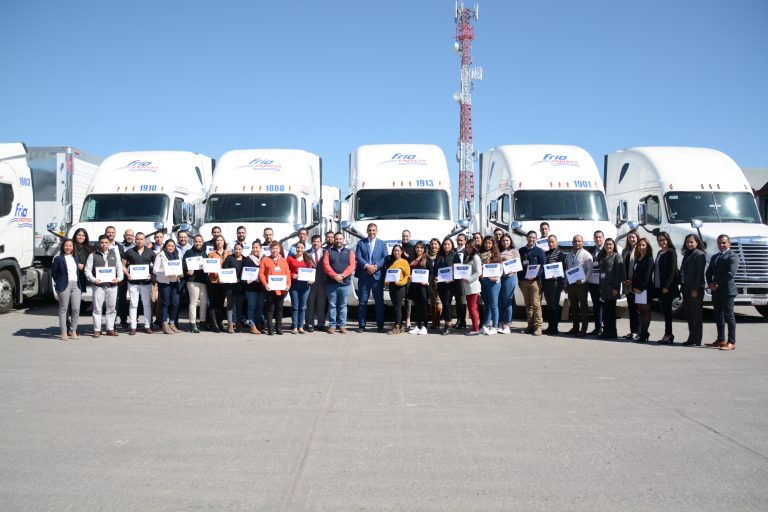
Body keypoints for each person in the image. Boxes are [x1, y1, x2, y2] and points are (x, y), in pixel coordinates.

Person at [85, 234, 123, 337]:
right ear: (99, 243)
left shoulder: (115, 254)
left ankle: (110, 329)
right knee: (97, 309)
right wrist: (93, 279)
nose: (104, 244)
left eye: (106, 242)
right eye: (102, 242)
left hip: (112, 286)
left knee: (111, 308)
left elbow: (119, 268)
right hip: (98, 286)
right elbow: (87, 270)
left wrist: (119, 279)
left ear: (109, 243)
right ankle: (97, 330)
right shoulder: (92, 255)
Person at [706, 234, 739, 351]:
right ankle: (720, 340)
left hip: (727, 291)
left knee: (729, 316)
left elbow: (730, 273)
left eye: (724, 243)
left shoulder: (733, 256)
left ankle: (731, 342)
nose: (721, 245)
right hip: (716, 291)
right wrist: (710, 283)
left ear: (729, 243)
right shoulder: (715, 256)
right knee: (718, 315)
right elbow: (709, 272)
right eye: (719, 243)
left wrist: (717, 284)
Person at [355, 223, 388, 333]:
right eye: (370, 230)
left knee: (379, 302)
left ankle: (380, 326)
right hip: (364, 276)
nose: (372, 232)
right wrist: (367, 266)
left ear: (376, 231)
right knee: (362, 302)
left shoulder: (382, 244)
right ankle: (361, 325)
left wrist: (376, 267)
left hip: (377, 277)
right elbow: (358, 257)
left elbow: (385, 258)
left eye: (373, 230)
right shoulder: (361, 243)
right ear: (367, 231)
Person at [122, 232, 155, 335]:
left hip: (146, 282)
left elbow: (156, 267)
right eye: (137, 239)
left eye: (141, 239)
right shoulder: (129, 252)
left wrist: (151, 275)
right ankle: (133, 327)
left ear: (144, 240)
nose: (139, 241)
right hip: (133, 282)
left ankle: (147, 326)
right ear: (135, 240)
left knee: (146, 304)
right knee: (133, 304)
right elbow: (122, 265)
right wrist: (127, 274)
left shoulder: (150, 252)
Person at [51, 238, 84, 340]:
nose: (68, 248)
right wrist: (59, 282)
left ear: (73, 247)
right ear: (63, 247)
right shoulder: (58, 259)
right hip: (64, 284)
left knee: (76, 308)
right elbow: (53, 273)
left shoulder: (75, 258)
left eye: (70, 246)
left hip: (76, 285)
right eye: (66, 246)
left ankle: (73, 331)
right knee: (63, 308)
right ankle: (64, 332)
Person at [323, 232, 356, 334]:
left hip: (345, 283)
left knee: (343, 305)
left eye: (340, 239)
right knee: (332, 305)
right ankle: (332, 325)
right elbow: (326, 265)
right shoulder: (328, 251)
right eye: (336, 239)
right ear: (334, 240)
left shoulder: (349, 252)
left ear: (343, 240)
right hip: (331, 283)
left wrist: (342, 276)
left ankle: (342, 326)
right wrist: (335, 276)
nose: (338, 241)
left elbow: (352, 266)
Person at [260, 241, 291, 335]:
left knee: (279, 309)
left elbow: (287, 274)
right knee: (270, 309)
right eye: (273, 248)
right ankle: (270, 329)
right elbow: (261, 274)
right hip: (270, 289)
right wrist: (265, 284)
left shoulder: (283, 261)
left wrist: (288, 285)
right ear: (270, 249)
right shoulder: (265, 260)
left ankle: (278, 328)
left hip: (281, 290)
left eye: (276, 248)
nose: (275, 250)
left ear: (279, 249)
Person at [565, 235, 593, 337]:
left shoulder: (586, 254)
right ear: (572, 242)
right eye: (575, 241)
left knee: (583, 307)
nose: (577, 243)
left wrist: (583, 281)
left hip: (581, 285)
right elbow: (567, 269)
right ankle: (575, 327)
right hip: (571, 285)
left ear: (583, 243)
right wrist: (565, 283)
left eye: (579, 241)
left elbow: (590, 270)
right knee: (574, 307)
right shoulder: (568, 255)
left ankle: (583, 330)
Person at [680, 234, 706, 346]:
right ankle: (691, 338)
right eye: (687, 242)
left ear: (697, 242)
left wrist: (695, 289)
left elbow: (699, 274)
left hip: (695, 289)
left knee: (696, 315)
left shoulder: (699, 254)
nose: (689, 244)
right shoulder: (687, 253)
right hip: (686, 288)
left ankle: (697, 339)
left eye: (691, 242)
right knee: (689, 314)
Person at [519, 230, 545, 336]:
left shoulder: (539, 251)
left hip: (535, 282)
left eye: (534, 237)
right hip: (523, 281)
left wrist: (536, 275)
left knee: (536, 304)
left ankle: (538, 327)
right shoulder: (521, 250)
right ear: (527, 238)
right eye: (530, 237)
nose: (531, 239)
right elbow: (518, 266)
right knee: (528, 305)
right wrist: (519, 279)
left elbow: (542, 266)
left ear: (536, 239)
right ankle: (530, 326)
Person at [654, 231, 679, 344]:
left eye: (663, 240)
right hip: (659, 286)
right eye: (659, 240)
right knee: (664, 311)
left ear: (668, 240)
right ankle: (668, 334)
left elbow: (672, 271)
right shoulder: (660, 252)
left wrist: (666, 286)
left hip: (667, 288)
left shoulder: (671, 252)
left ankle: (668, 334)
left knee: (668, 312)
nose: (661, 242)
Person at [154, 239, 182, 334]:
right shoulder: (160, 255)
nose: (171, 248)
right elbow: (155, 270)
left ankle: (172, 323)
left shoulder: (177, 254)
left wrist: (180, 273)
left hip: (175, 281)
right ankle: (165, 324)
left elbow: (179, 267)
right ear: (165, 246)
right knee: (165, 303)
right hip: (164, 282)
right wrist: (166, 272)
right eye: (169, 246)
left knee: (176, 303)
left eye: (172, 246)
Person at [598, 238, 624, 339]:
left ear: (614, 246)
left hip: (612, 288)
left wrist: (616, 288)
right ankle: (607, 331)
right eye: (606, 244)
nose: (608, 246)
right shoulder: (603, 256)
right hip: (604, 288)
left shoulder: (617, 256)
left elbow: (619, 273)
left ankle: (612, 332)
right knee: (606, 311)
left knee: (611, 312)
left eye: (610, 244)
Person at [434, 237, 460, 335]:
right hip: (440, 283)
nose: (446, 246)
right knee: (444, 304)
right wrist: (435, 277)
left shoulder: (455, 255)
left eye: (448, 244)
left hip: (450, 284)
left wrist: (452, 279)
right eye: (445, 244)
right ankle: (446, 323)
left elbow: (458, 270)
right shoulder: (439, 255)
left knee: (447, 303)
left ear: (452, 245)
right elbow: (435, 268)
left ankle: (448, 325)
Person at [183, 234, 208, 333]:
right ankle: (192, 323)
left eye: (200, 241)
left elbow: (207, 265)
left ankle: (202, 322)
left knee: (204, 302)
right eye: (196, 241)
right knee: (193, 302)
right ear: (193, 242)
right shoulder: (189, 252)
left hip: (203, 280)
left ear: (202, 243)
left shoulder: (204, 253)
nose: (198, 243)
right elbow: (184, 266)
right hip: (192, 280)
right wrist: (187, 272)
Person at [408, 241, 434, 335]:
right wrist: (410, 276)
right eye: (417, 247)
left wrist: (427, 282)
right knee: (417, 307)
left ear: (424, 249)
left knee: (423, 307)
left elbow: (431, 272)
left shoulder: (427, 258)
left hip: (423, 287)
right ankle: (418, 325)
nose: (419, 249)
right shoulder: (413, 258)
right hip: (414, 286)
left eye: (421, 248)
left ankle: (424, 326)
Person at [542, 235, 567, 335]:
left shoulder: (560, 254)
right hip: (546, 282)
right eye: (549, 242)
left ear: (556, 242)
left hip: (556, 283)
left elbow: (563, 268)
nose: (551, 244)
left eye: (552, 242)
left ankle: (554, 327)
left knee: (554, 305)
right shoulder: (545, 254)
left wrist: (556, 275)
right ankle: (550, 326)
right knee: (549, 305)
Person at [479, 236, 502, 335]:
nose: (487, 245)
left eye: (489, 243)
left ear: (493, 244)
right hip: (484, 281)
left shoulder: (496, 255)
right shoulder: (480, 255)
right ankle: (486, 325)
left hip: (494, 282)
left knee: (493, 305)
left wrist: (497, 278)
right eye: (485, 243)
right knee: (487, 304)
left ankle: (495, 326)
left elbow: (501, 269)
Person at [632, 238, 654, 343]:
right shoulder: (638, 258)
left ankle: (644, 333)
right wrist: (634, 287)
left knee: (646, 311)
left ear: (647, 247)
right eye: (640, 245)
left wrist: (640, 288)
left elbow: (647, 275)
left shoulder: (649, 259)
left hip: (645, 289)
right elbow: (635, 275)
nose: (641, 247)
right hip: (637, 289)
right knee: (641, 312)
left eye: (644, 245)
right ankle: (642, 332)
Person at [206, 235, 230, 332]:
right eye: (218, 240)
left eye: (221, 240)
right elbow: (208, 267)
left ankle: (220, 323)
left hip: (224, 282)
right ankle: (214, 324)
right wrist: (213, 271)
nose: (219, 242)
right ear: (215, 242)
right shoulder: (211, 254)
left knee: (221, 304)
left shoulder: (228, 254)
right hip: (213, 281)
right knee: (213, 304)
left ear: (224, 242)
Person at [287, 241, 312, 334]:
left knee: (303, 307)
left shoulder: (308, 259)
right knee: (295, 306)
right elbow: (286, 270)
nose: (299, 249)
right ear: (295, 248)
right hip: (294, 285)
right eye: (298, 247)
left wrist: (311, 279)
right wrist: (292, 275)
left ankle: (301, 326)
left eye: (301, 248)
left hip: (305, 286)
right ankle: (294, 327)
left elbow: (310, 271)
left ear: (304, 249)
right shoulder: (290, 258)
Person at [498, 234, 520, 334]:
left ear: (510, 241)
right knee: (499, 302)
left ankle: (507, 324)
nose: (505, 242)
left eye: (507, 240)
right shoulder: (497, 251)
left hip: (509, 278)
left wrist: (513, 269)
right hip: (498, 278)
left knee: (507, 302)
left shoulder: (514, 251)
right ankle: (500, 323)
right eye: (503, 241)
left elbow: (518, 265)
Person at [223, 242, 247, 333]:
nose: (237, 251)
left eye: (239, 249)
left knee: (239, 306)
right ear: (234, 249)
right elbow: (224, 270)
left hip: (241, 286)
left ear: (242, 250)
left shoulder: (245, 259)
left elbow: (246, 272)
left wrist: (241, 279)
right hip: (230, 286)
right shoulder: (229, 258)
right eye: (236, 249)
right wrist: (231, 278)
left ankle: (238, 323)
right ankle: (230, 324)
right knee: (230, 305)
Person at [305, 235, 327, 332]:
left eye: (318, 241)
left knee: (321, 304)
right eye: (314, 241)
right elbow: (304, 267)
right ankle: (310, 324)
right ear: (311, 242)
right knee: (310, 304)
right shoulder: (306, 253)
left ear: (321, 242)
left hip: (323, 282)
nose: (316, 243)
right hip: (310, 282)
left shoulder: (326, 252)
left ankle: (321, 324)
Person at [460, 241, 482, 335]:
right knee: (472, 307)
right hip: (468, 286)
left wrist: (469, 279)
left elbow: (478, 272)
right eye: (467, 247)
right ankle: (475, 327)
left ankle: (476, 329)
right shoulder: (468, 257)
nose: (468, 249)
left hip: (473, 286)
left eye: (470, 247)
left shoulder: (476, 257)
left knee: (472, 308)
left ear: (474, 247)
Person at [621, 230, 640, 340]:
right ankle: (633, 331)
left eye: (633, 237)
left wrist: (633, 281)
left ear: (637, 238)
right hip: (627, 284)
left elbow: (641, 268)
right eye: (629, 237)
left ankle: (638, 331)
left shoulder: (639, 250)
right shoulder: (625, 250)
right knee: (631, 309)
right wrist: (624, 279)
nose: (631, 239)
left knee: (637, 310)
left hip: (636, 284)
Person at [243, 240, 264, 334]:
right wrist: (246, 280)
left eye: (257, 247)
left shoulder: (264, 258)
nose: (255, 249)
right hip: (251, 288)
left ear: (260, 248)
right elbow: (243, 273)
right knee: (251, 307)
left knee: (260, 307)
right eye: (253, 248)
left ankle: (258, 325)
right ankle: (252, 325)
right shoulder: (248, 259)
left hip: (262, 287)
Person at [116, 229, 134, 330]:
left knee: (135, 299)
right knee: (121, 299)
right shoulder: (119, 246)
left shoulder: (136, 246)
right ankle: (123, 321)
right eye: (127, 235)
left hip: (134, 275)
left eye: (131, 235)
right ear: (124, 236)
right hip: (121, 275)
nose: (129, 237)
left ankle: (134, 320)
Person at [588, 230, 605, 336]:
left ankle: (604, 327)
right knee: (596, 305)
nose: (598, 239)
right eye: (596, 237)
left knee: (604, 304)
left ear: (603, 238)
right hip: (593, 282)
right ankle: (597, 327)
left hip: (603, 282)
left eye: (600, 237)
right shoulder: (590, 250)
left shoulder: (607, 249)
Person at [427, 238, 442, 329]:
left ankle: (437, 320)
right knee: (432, 301)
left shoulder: (441, 255)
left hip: (438, 280)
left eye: (436, 244)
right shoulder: (426, 255)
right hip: (429, 281)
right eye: (432, 244)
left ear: (439, 246)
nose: (434, 246)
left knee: (438, 301)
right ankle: (433, 321)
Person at [72, 228, 93, 293]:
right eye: (79, 235)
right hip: (72, 275)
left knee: (79, 293)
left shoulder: (89, 248)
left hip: (83, 274)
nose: (81, 237)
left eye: (83, 235)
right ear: (75, 236)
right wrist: (77, 264)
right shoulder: (70, 246)